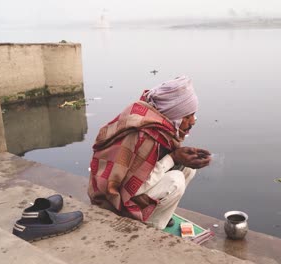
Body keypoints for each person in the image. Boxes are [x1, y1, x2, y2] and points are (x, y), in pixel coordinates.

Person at [88, 76, 211, 229]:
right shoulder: (145, 136)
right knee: (176, 181)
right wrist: (173, 157)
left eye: (193, 115)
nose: (192, 121)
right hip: (115, 201)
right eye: (187, 116)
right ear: (173, 115)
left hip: (132, 187)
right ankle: (151, 229)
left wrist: (180, 156)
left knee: (188, 169)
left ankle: (160, 217)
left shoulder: (159, 122)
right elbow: (132, 188)